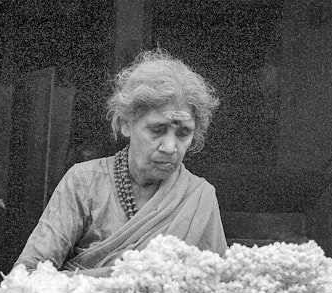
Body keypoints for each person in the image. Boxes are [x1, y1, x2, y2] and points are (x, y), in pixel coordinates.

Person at [14, 48, 228, 275]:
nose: (170, 147)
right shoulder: (84, 182)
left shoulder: (199, 196)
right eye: (157, 129)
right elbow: (27, 274)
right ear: (126, 124)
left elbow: (216, 285)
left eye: (183, 133)